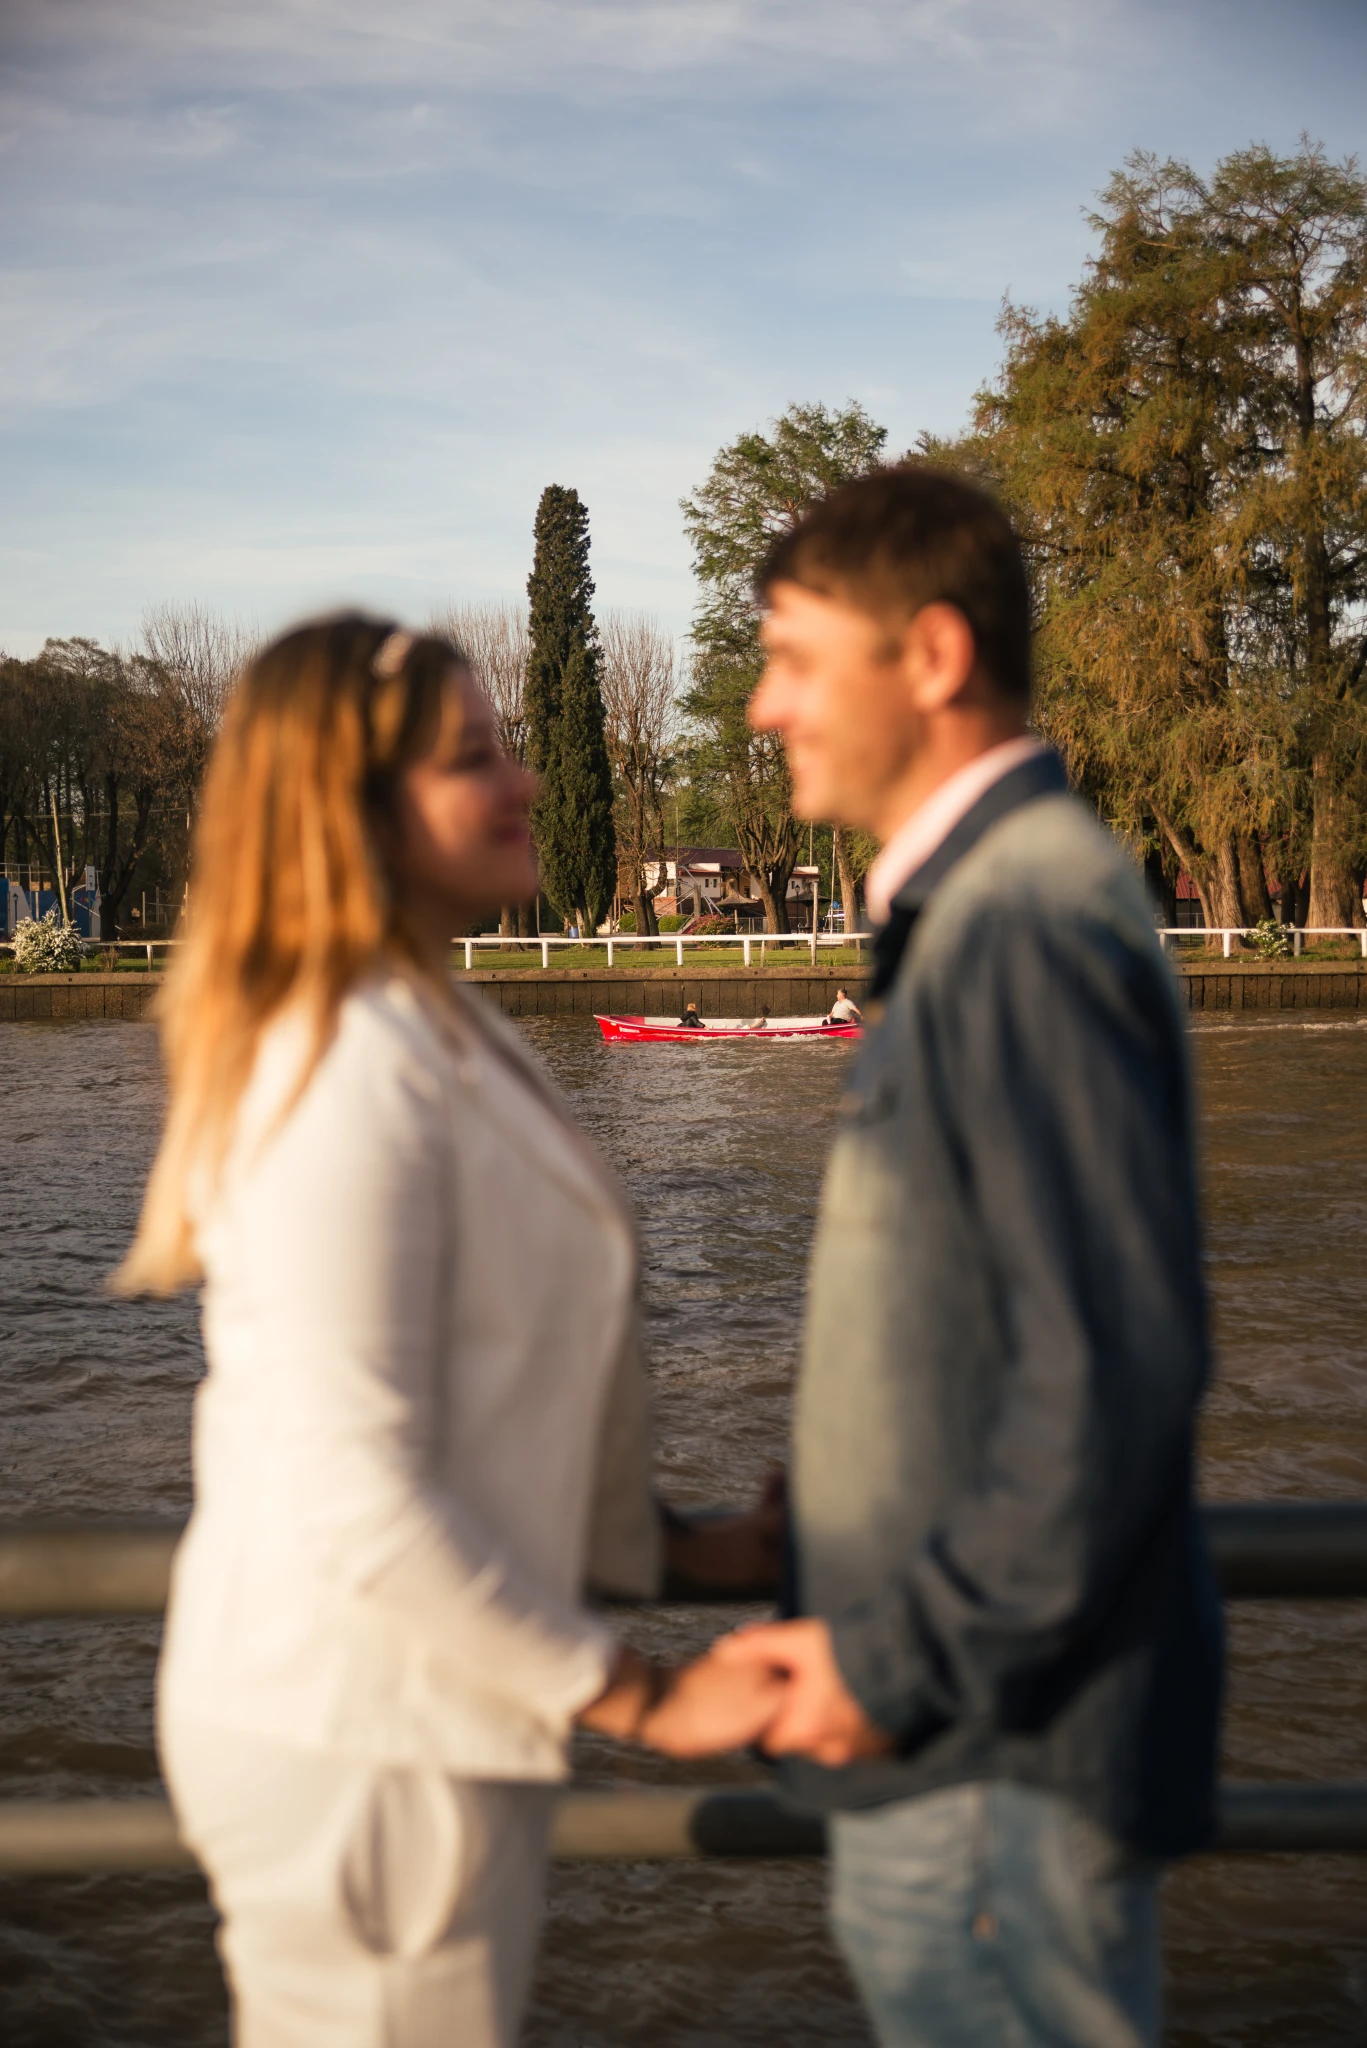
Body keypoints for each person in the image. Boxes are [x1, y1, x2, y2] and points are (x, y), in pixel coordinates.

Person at [117, 616, 783, 2048]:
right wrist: (650, 1699)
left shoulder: (428, 1022)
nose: (527, 781)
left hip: (407, 1718)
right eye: (472, 758)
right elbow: (354, 1493)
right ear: (356, 813)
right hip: (357, 1742)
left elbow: (486, 1401)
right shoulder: (342, 1069)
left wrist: (684, 1551)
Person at [717, 467, 1223, 2047]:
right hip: (978, 1748)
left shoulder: (1013, 930)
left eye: (794, 659)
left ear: (930, 657)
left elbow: (1111, 1374)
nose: (762, 706)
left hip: (988, 1764)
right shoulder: (994, 912)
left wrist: (891, 1662)